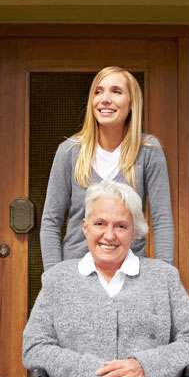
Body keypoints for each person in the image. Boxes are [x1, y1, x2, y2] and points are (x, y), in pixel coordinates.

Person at [23, 180, 189, 377]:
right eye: (100, 224)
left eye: (121, 226)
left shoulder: (163, 278)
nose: (109, 235)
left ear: (135, 233)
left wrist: (144, 366)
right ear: (85, 227)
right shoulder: (58, 281)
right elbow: (35, 347)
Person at [40, 66, 174, 272]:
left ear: (132, 103)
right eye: (98, 91)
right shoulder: (69, 152)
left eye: (116, 91)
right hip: (76, 276)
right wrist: (53, 280)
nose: (104, 99)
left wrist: (165, 281)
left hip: (129, 276)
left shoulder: (148, 151)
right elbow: (51, 221)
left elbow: (162, 221)